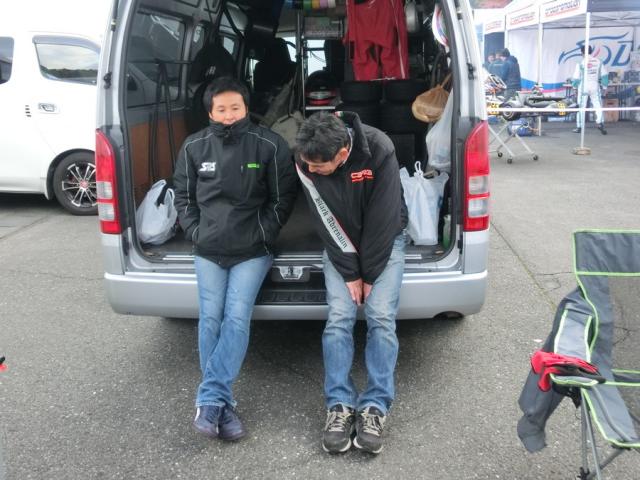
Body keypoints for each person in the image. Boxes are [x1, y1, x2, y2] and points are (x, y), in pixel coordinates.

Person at [173, 76, 298, 441]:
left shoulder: (269, 144)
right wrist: (196, 232)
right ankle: (220, 404)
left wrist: (263, 232)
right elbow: (183, 196)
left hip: (252, 250)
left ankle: (209, 400)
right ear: (210, 112)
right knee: (210, 318)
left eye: (235, 107)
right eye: (221, 109)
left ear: (246, 107)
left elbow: (283, 197)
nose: (229, 115)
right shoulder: (194, 146)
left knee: (237, 316)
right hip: (208, 248)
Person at [294, 111, 408, 455]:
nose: (312, 170)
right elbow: (323, 220)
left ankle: (375, 406)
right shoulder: (306, 159)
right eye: (308, 164)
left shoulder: (379, 148)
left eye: (319, 166)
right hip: (338, 242)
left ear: (343, 154)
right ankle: (339, 405)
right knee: (339, 318)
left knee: (381, 317)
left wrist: (368, 274)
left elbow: (383, 219)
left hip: (385, 240)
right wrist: (350, 272)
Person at [572, 45, 608, 135]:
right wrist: (604, 87)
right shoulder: (598, 61)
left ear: (582, 52)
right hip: (595, 86)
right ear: (591, 51)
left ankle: (579, 127)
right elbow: (604, 75)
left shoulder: (580, 63)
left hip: (583, 87)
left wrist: (574, 88)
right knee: (598, 105)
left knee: (581, 107)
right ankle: (600, 123)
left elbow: (576, 78)